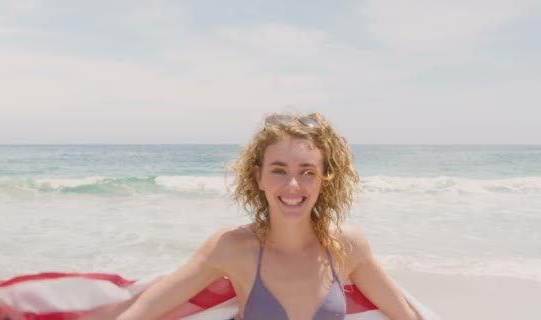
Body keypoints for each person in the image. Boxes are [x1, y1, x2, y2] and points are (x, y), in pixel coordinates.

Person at [91, 112, 420, 320]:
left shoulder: (346, 246)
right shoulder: (232, 248)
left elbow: (405, 316)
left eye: (307, 172)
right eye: (279, 170)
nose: (293, 185)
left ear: (325, 178)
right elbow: (144, 310)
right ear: (258, 177)